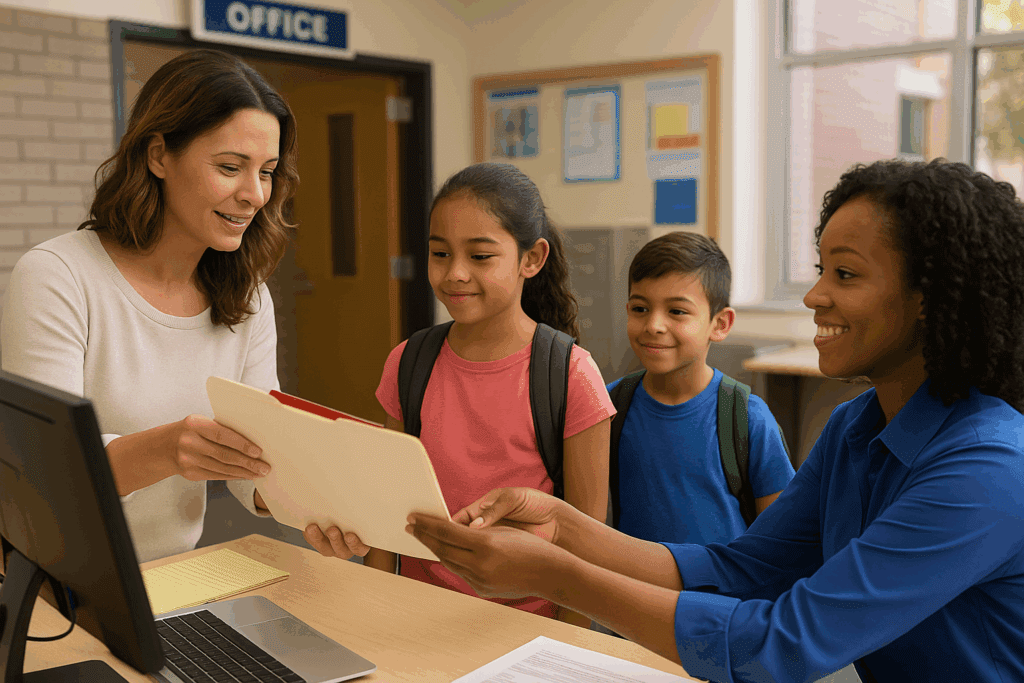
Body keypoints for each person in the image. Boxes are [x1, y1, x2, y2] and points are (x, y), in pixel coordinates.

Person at [405, 158, 1024, 682]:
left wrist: (558, 577)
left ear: (931, 298)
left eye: (846, 274)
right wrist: (562, 527)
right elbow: (741, 569)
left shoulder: (989, 468)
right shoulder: (856, 428)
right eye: (820, 271)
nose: (814, 296)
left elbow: (782, 643)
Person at [1, 49, 299, 564]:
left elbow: (252, 470)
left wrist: (322, 503)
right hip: (52, 580)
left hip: (172, 575)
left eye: (267, 172)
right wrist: (164, 450)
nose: (255, 194)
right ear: (158, 155)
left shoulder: (248, 297)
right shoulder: (58, 275)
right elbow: (45, 476)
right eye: (230, 167)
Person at [307, 162, 614, 626]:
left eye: (481, 256)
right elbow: (387, 506)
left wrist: (569, 646)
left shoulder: (572, 375)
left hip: (528, 625)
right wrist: (375, 611)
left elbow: (587, 546)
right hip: (419, 615)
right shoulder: (408, 362)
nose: (455, 273)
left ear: (531, 259)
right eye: (440, 253)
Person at [608, 232, 794, 545]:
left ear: (720, 324)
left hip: (723, 579)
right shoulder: (609, 407)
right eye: (640, 308)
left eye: (677, 311)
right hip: (629, 577)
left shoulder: (748, 418)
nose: (653, 325)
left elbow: (780, 539)